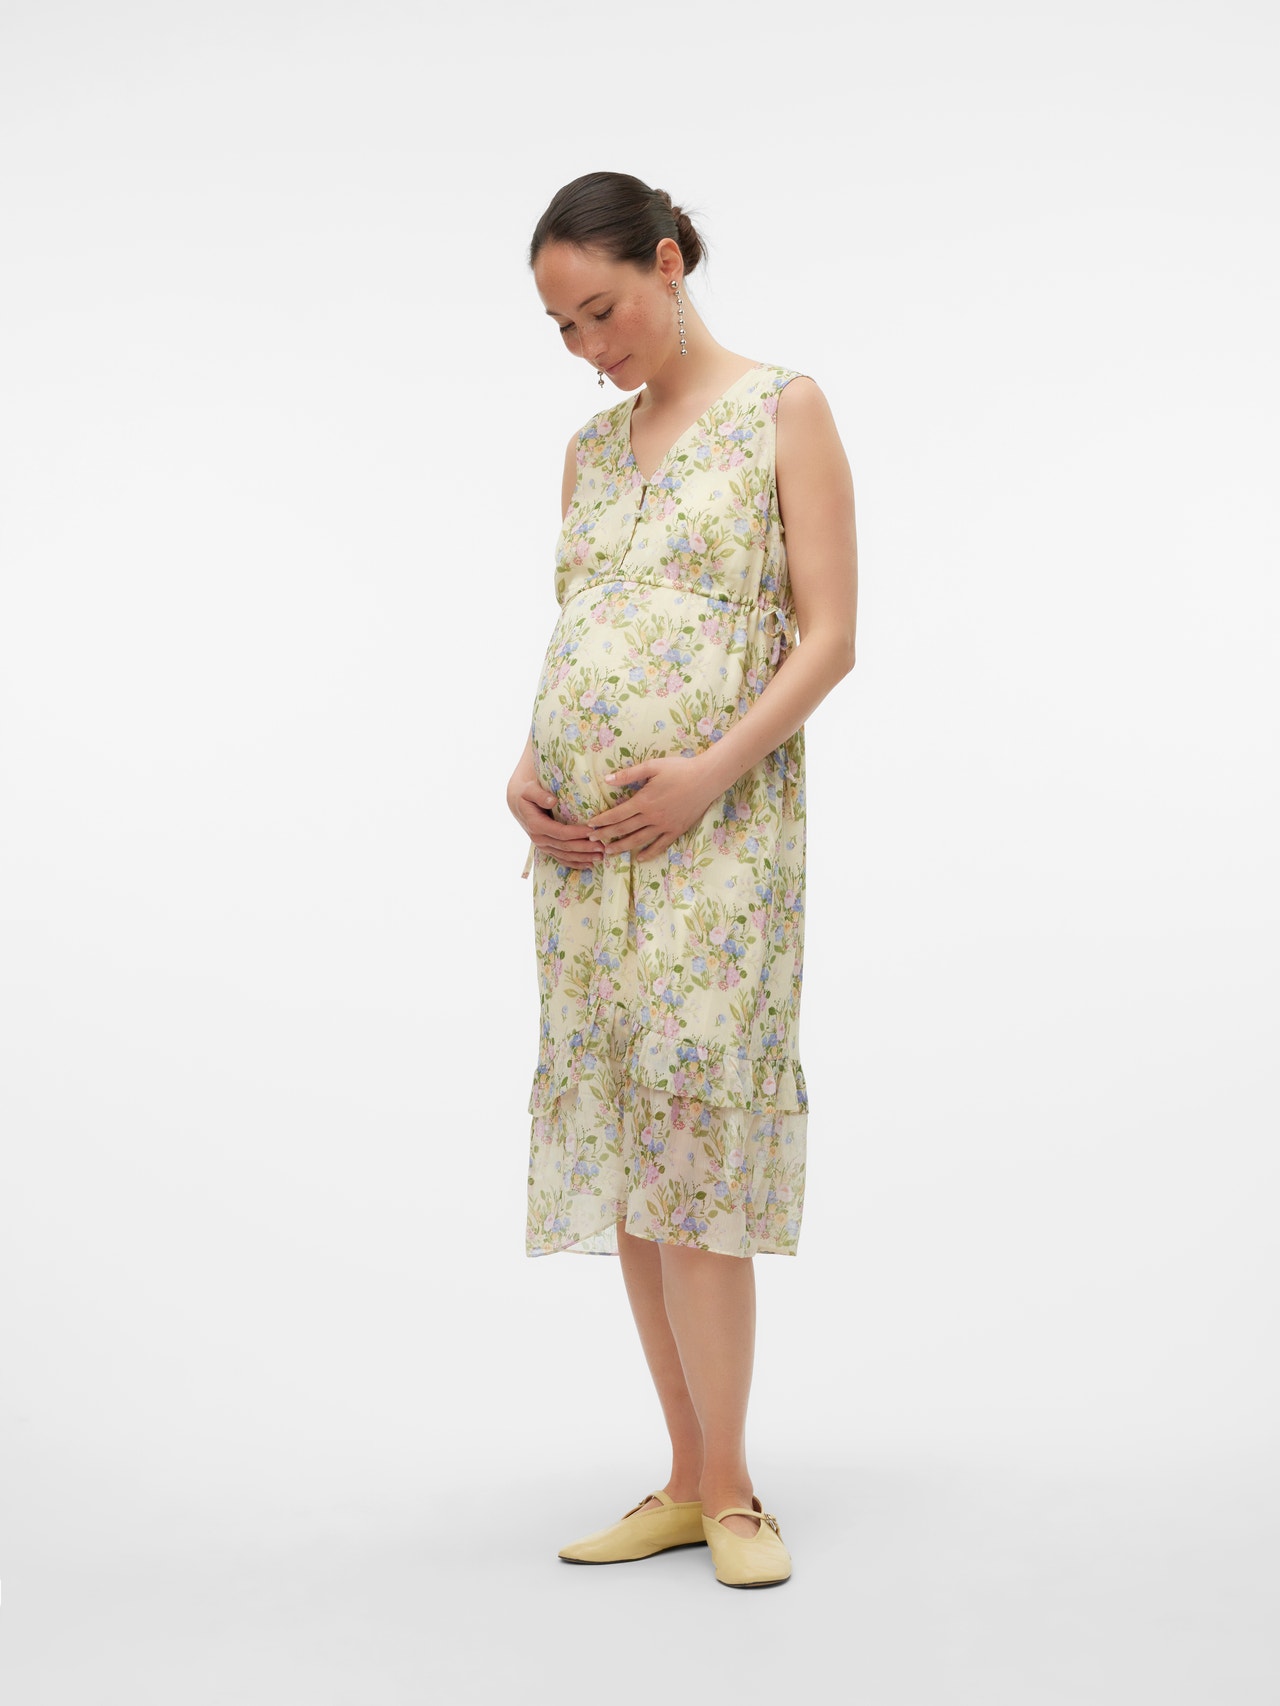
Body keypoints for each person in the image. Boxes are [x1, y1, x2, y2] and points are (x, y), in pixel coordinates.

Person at [506, 171, 858, 1588]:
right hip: (584, 857)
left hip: (719, 842)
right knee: (630, 1144)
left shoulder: (785, 409)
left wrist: (708, 772)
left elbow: (829, 637)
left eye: (601, 309)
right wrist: (525, 769)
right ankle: (679, 1474)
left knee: (698, 1147)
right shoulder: (590, 452)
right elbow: (583, 626)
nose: (589, 346)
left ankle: (736, 1491)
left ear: (667, 263)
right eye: (563, 328)